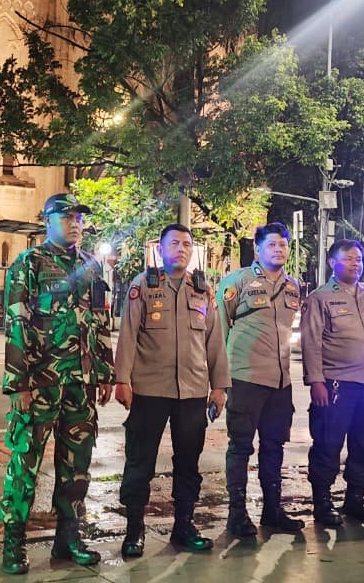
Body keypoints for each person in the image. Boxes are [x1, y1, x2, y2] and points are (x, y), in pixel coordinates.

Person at [0, 193, 114, 575]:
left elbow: (100, 319)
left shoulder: (91, 266)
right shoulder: (29, 263)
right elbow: (16, 322)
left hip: (80, 383)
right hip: (40, 383)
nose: (75, 223)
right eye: (66, 217)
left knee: (77, 465)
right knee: (25, 462)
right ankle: (13, 542)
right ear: (47, 221)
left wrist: (105, 372)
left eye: (78, 217)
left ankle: (69, 538)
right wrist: (18, 383)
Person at [115, 224, 230, 557]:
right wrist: (122, 380)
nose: (181, 249)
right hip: (149, 389)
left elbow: (215, 341)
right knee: (140, 461)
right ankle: (134, 529)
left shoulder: (202, 290)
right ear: (160, 249)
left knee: (188, 463)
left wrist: (219, 386)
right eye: (175, 243)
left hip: (192, 391)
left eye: (187, 244)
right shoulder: (143, 285)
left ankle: (184, 526)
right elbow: (128, 335)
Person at [300, 240, 364, 526]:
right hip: (336, 384)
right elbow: (311, 343)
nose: (356, 263)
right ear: (333, 263)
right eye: (348, 259)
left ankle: (355, 499)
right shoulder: (320, 298)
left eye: (359, 259)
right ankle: (322, 502)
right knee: (328, 444)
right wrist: (316, 381)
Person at [217, 222, 304, 536]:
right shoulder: (237, 282)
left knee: (274, 446)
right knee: (241, 447)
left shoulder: (293, 286)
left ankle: (272, 510)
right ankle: (237, 514)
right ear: (257, 249)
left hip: (280, 382)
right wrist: (219, 380)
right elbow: (219, 331)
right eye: (271, 245)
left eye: (283, 245)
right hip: (245, 379)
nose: (278, 250)